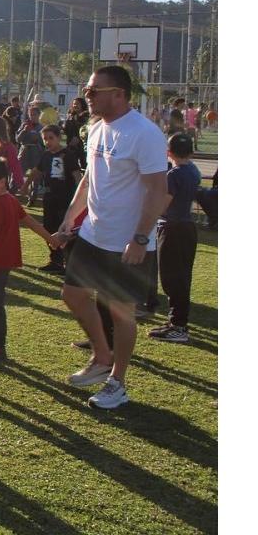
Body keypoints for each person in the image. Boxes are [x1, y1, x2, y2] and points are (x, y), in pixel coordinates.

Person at [53, 66, 167, 410]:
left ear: (118, 93)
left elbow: (158, 191)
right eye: (87, 90)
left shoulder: (144, 134)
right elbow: (89, 180)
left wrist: (140, 238)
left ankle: (117, 382)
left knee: (121, 312)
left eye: (93, 91)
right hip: (93, 234)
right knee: (72, 295)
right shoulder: (98, 128)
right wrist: (68, 221)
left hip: (126, 241)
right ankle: (102, 357)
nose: (87, 96)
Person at [0, 158, 56, 366]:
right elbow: (31, 222)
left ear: (2, 181)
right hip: (5, 262)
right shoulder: (12, 200)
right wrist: (49, 238)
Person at [147, 133, 201, 344]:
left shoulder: (174, 174)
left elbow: (164, 203)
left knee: (172, 279)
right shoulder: (193, 170)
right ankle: (175, 322)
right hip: (187, 227)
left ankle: (178, 326)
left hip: (172, 228)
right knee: (181, 277)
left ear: (168, 152)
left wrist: (147, 221)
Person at [30, 125, 82, 274]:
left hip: (64, 198)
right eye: (45, 139)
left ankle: (69, 262)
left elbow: (76, 175)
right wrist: (26, 186)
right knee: (49, 228)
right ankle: (55, 260)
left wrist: (80, 193)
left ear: (59, 137)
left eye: (51, 138)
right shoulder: (46, 155)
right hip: (49, 197)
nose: (47, 142)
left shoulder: (68, 154)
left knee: (65, 230)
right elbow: (37, 171)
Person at [17, 107, 45, 204]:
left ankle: (32, 197)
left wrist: (38, 139)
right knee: (18, 173)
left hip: (36, 152)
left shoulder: (41, 127)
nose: (32, 116)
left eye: (34, 114)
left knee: (35, 177)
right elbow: (18, 139)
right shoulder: (24, 125)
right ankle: (16, 194)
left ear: (39, 115)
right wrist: (24, 131)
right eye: (30, 114)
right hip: (24, 152)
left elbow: (44, 143)